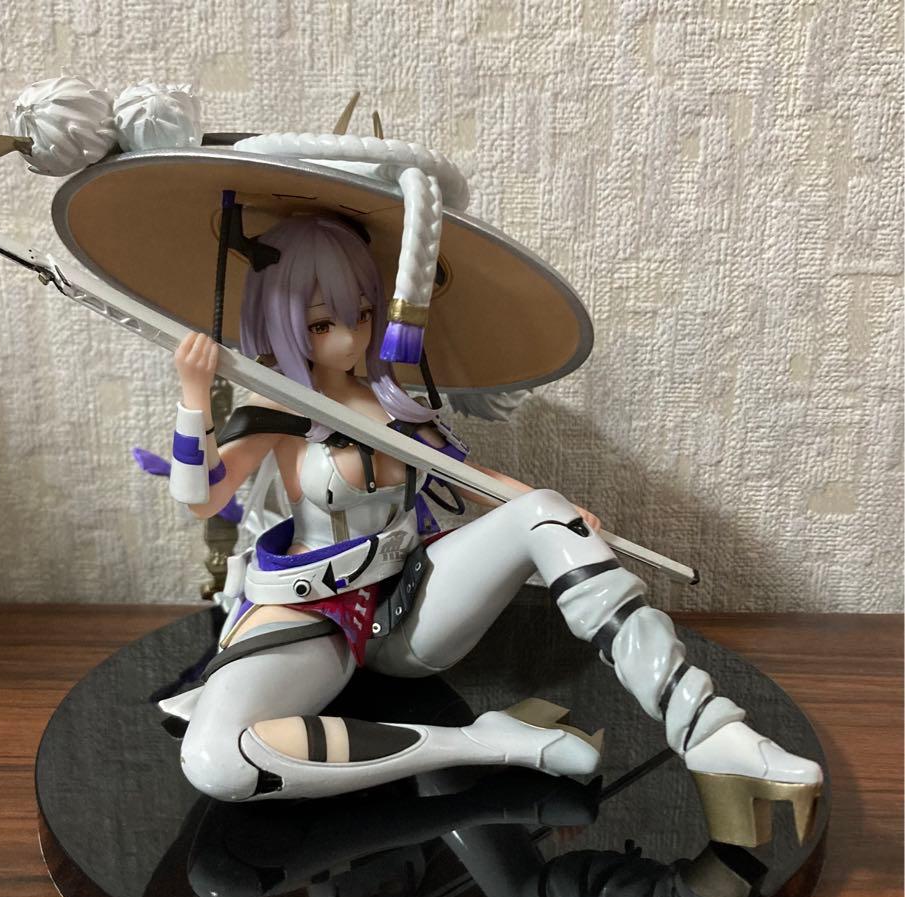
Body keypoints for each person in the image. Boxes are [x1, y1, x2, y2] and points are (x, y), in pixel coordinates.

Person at [158, 213, 821, 848]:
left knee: (541, 508)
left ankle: (710, 732)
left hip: (405, 606)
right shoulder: (276, 406)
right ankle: (484, 743)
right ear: (279, 321)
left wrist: (558, 517)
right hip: (310, 613)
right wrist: (194, 397)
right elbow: (203, 498)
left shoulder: (390, 404)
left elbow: (473, 478)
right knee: (218, 760)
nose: (350, 339)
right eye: (321, 322)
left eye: (361, 314)